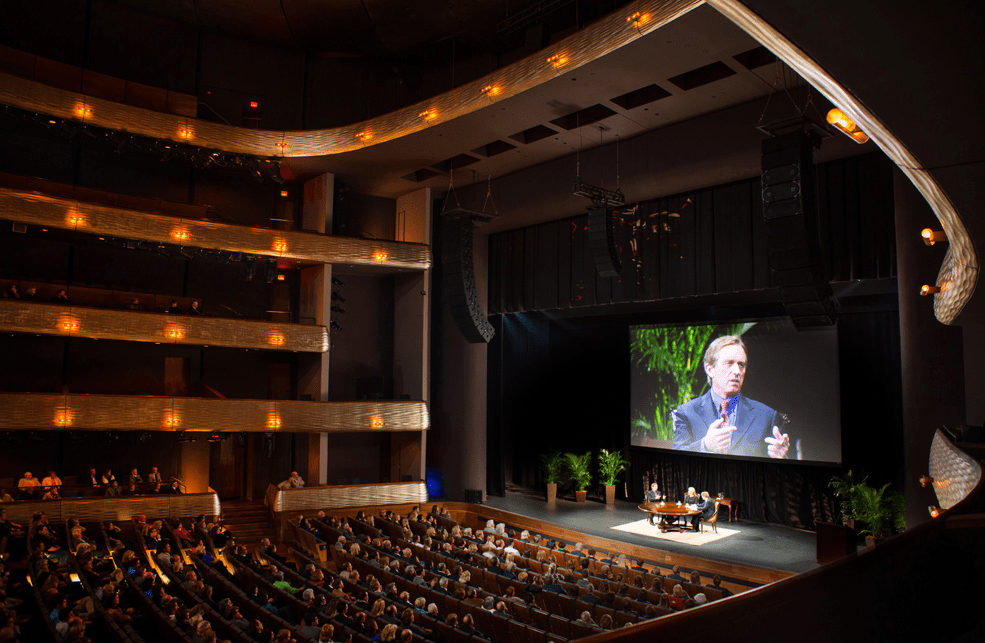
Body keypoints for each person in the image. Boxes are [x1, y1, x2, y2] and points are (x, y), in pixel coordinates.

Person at [672, 335, 789, 458]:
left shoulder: (767, 416)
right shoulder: (686, 413)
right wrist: (704, 446)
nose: (737, 371)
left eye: (741, 365)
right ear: (710, 369)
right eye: (729, 363)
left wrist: (781, 458)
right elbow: (676, 461)